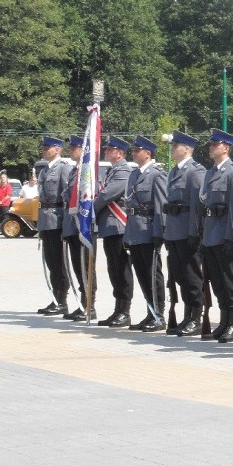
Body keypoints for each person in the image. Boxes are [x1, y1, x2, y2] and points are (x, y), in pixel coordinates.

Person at [199, 129, 233, 343]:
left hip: (225, 233)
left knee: (230, 282)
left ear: (226, 148)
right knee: (217, 282)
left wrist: (232, 235)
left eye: (215, 144)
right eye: (211, 144)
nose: (211, 147)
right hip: (210, 232)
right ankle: (225, 320)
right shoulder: (210, 173)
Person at [162, 131, 207, 337]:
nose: (172, 149)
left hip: (187, 232)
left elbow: (197, 206)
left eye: (176, 146)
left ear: (187, 149)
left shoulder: (195, 172)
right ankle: (187, 315)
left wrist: (194, 233)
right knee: (179, 276)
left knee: (191, 276)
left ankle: (196, 316)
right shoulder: (173, 172)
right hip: (173, 232)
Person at [124, 136, 168, 332]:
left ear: (148, 153)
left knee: (152, 274)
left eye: (137, 151)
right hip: (134, 229)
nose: (133, 153)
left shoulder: (156, 175)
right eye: (133, 150)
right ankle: (150, 311)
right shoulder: (134, 174)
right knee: (141, 274)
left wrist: (159, 232)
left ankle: (158, 314)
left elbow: (160, 205)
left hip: (149, 229)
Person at [94, 136, 134, 327]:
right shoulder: (112, 171)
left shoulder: (124, 170)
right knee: (113, 269)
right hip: (109, 227)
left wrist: (89, 210)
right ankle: (117, 308)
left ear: (120, 153)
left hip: (118, 226)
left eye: (110, 150)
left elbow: (106, 195)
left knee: (122, 269)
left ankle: (124, 310)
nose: (106, 152)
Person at [35, 137, 72, 316]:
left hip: (57, 219)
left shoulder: (64, 168)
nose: (44, 150)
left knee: (59, 262)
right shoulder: (44, 170)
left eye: (48, 147)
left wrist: (66, 223)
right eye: (44, 147)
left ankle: (62, 300)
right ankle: (56, 298)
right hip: (45, 220)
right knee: (51, 262)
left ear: (57, 150)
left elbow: (66, 197)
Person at [61, 135, 97, 321]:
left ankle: (89, 305)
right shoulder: (74, 170)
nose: (71, 150)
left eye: (75, 147)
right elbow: (66, 195)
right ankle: (83, 303)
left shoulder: (86, 170)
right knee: (77, 266)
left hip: (83, 224)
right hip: (72, 225)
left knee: (85, 266)